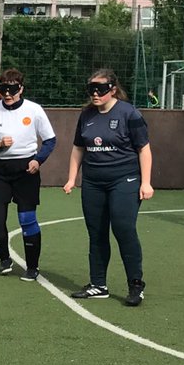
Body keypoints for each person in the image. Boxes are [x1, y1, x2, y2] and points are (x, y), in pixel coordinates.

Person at [62, 69, 153, 307]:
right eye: (91, 88)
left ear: (113, 89)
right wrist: (72, 179)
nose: (95, 94)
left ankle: (136, 284)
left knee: (123, 228)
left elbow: (144, 148)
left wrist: (146, 182)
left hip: (125, 179)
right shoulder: (87, 115)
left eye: (100, 89)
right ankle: (98, 285)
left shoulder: (129, 113)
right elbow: (78, 148)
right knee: (97, 232)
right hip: (93, 182)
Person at [0, 68, 56, 280]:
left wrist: (37, 160)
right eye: (3, 89)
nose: (8, 94)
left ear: (21, 88)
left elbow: (50, 140)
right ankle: (4, 259)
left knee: (27, 218)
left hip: (26, 170)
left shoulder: (34, 110)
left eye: (12, 89)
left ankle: (32, 267)